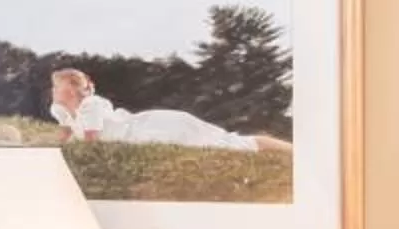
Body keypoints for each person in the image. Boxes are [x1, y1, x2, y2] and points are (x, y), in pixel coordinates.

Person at [48, 68, 289, 151]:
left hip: (155, 128)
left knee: (229, 143)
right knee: (228, 142)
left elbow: (90, 144)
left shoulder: (90, 105)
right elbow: (64, 137)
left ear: (71, 90)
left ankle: (292, 152)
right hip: (147, 128)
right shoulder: (60, 109)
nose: (53, 91)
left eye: (56, 87)